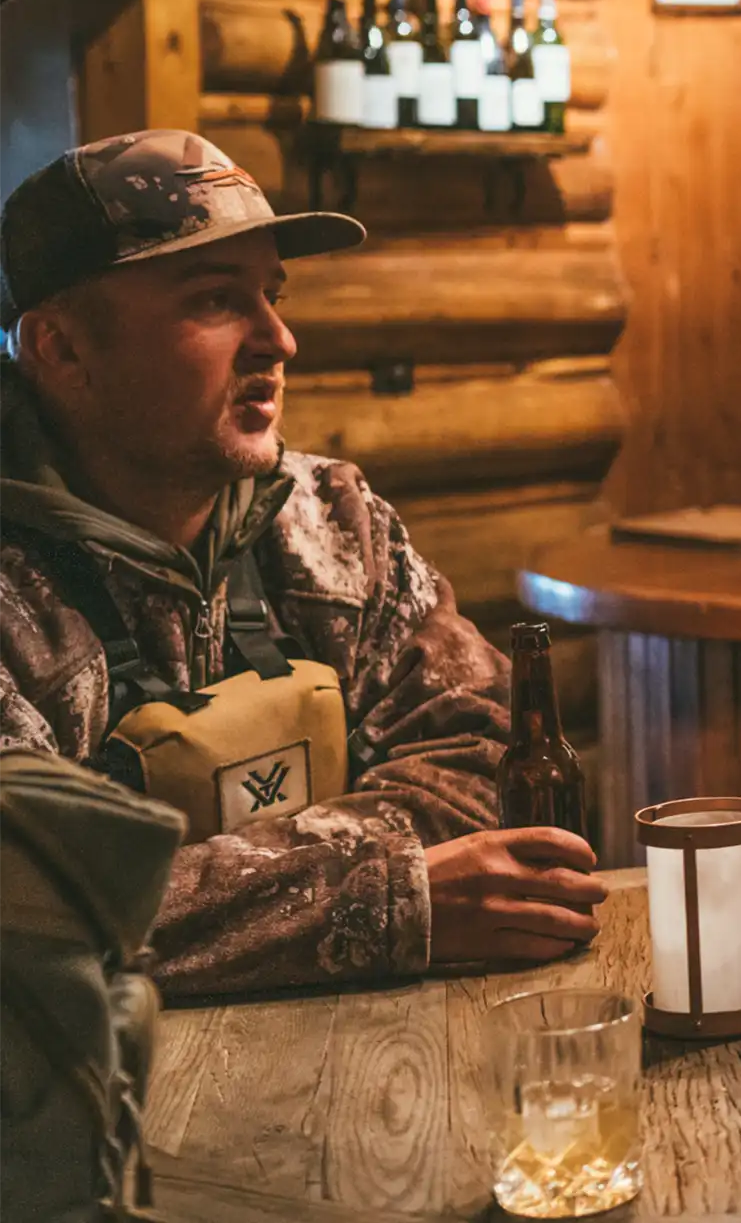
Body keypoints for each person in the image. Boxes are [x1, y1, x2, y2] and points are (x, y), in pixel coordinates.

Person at [0, 131, 603, 994]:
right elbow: (38, 912)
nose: (278, 339)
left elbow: (482, 760)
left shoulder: (334, 518)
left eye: (273, 295)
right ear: (60, 349)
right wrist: (389, 892)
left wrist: (197, 886)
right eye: (216, 301)